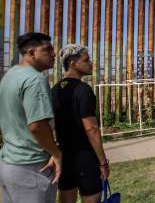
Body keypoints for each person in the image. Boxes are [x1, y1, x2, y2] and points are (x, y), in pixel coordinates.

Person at [0, 33, 62, 203]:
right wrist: (56, 153)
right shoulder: (35, 80)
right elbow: (37, 126)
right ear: (31, 53)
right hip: (32, 168)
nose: (53, 53)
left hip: (9, 163)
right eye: (47, 49)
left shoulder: (10, 75)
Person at [51, 44, 109, 203]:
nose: (91, 63)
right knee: (91, 198)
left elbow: (52, 125)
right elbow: (91, 128)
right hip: (84, 156)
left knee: (66, 198)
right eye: (87, 60)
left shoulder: (55, 90)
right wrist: (103, 162)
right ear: (73, 63)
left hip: (64, 155)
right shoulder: (83, 90)